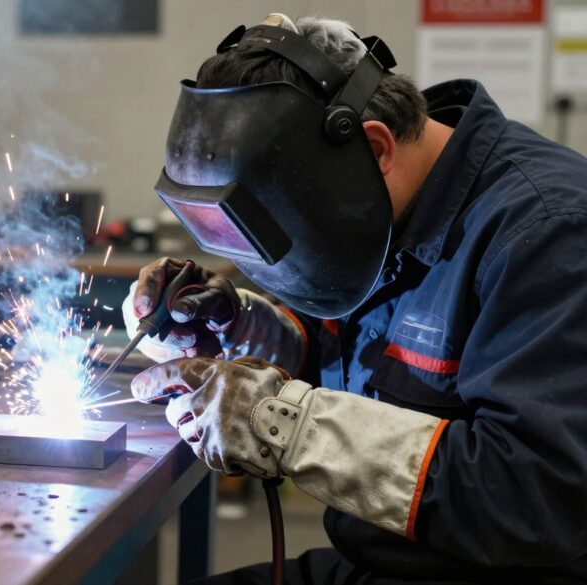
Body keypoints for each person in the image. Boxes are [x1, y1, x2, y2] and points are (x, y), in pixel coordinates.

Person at [122, 13, 587, 585]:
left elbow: (539, 497)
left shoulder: (547, 232)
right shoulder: (376, 218)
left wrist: (282, 424)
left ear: (373, 147)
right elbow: (350, 361)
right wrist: (239, 330)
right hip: (379, 563)